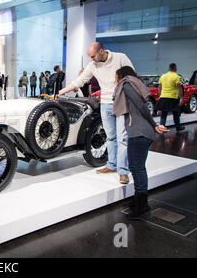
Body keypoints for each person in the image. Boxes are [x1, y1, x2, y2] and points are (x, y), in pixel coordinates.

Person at [58, 42, 134, 184]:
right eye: (90, 57)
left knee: (122, 138)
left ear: (101, 51)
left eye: (93, 56)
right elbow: (79, 81)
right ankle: (112, 165)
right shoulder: (93, 65)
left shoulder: (120, 58)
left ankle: (123, 171)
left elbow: (132, 77)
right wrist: (61, 91)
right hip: (105, 104)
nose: (91, 59)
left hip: (121, 103)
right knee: (110, 137)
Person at [112, 66, 168, 219]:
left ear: (122, 75)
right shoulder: (132, 84)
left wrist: (154, 124)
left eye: (115, 76)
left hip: (140, 132)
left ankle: (142, 205)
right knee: (137, 167)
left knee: (137, 168)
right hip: (139, 131)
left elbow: (142, 106)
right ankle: (138, 199)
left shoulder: (127, 84)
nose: (114, 80)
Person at [155, 63, 185, 131]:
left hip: (163, 97)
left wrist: (160, 95)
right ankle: (178, 127)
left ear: (168, 68)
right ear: (175, 68)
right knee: (176, 113)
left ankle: (162, 128)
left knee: (164, 114)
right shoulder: (177, 76)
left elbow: (159, 87)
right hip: (173, 98)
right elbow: (179, 88)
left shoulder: (163, 76)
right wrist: (181, 98)